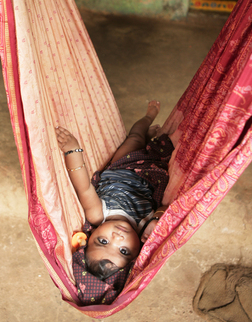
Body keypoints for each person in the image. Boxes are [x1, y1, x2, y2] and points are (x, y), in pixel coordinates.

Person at [55, 100, 174, 282]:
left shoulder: (98, 215)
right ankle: (149, 141)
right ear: (136, 255)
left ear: (91, 234)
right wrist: (157, 220)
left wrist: (73, 151)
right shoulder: (145, 228)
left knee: (135, 138)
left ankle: (149, 117)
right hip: (150, 172)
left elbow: (84, 187)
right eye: (123, 251)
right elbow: (168, 208)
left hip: (122, 166)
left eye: (103, 241)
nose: (117, 238)